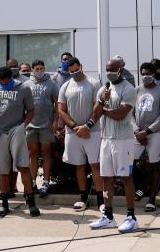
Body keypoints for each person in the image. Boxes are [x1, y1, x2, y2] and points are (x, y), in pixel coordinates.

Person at [0, 66, 39, 217]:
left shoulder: (24, 88)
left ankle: (31, 202)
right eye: (2, 81)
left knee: (23, 166)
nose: (4, 84)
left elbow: (31, 110)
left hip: (16, 129)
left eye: (7, 81)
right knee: (2, 169)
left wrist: (23, 126)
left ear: (11, 78)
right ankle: (4, 203)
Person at [89, 58, 138, 233]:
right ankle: (108, 217)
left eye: (112, 69)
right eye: (107, 69)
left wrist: (105, 110)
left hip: (123, 139)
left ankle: (131, 217)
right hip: (106, 139)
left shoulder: (128, 89)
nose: (109, 72)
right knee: (106, 177)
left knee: (125, 177)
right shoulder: (104, 89)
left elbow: (121, 114)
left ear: (121, 69)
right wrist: (102, 101)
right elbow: (95, 114)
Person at [57, 57, 104, 211]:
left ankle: (101, 200)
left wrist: (87, 126)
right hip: (73, 133)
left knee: (96, 165)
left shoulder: (94, 83)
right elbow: (61, 110)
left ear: (81, 66)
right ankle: (83, 198)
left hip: (93, 131)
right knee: (79, 166)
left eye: (77, 70)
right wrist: (76, 127)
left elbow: (99, 107)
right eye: (71, 71)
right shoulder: (65, 86)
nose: (75, 73)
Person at [132, 62, 160, 212]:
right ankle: (143, 186)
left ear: (153, 74)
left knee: (155, 165)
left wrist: (146, 132)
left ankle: (152, 199)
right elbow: (130, 114)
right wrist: (136, 131)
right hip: (137, 133)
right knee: (130, 163)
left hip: (155, 133)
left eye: (148, 73)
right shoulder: (135, 91)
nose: (145, 76)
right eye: (143, 73)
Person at [25, 59, 58, 197]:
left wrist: (56, 121)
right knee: (32, 153)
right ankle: (32, 182)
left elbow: (58, 103)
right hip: (31, 125)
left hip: (46, 124)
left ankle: (45, 182)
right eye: (36, 69)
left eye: (41, 68)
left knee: (46, 153)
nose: (39, 71)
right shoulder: (26, 84)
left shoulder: (51, 83)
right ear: (33, 70)